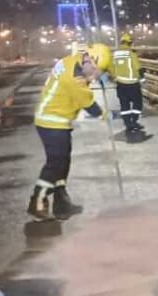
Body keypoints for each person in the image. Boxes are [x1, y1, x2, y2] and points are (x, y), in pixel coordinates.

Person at [28, 43, 112, 220]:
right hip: (51, 121)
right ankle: (37, 202)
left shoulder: (71, 61)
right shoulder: (75, 78)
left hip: (56, 120)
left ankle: (61, 202)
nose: (95, 76)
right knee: (55, 163)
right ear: (91, 60)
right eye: (97, 71)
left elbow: (85, 81)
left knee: (63, 162)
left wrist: (99, 76)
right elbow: (89, 104)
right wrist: (106, 115)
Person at [111, 33, 146, 138]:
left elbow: (112, 67)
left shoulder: (115, 53)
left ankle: (128, 124)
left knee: (124, 105)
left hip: (120, 83)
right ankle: (134, 121)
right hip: (132, 83)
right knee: (138, 103)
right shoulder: (131, 53)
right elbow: (137, 67)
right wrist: (143, 79)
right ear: (130, 42)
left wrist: (115, 78)